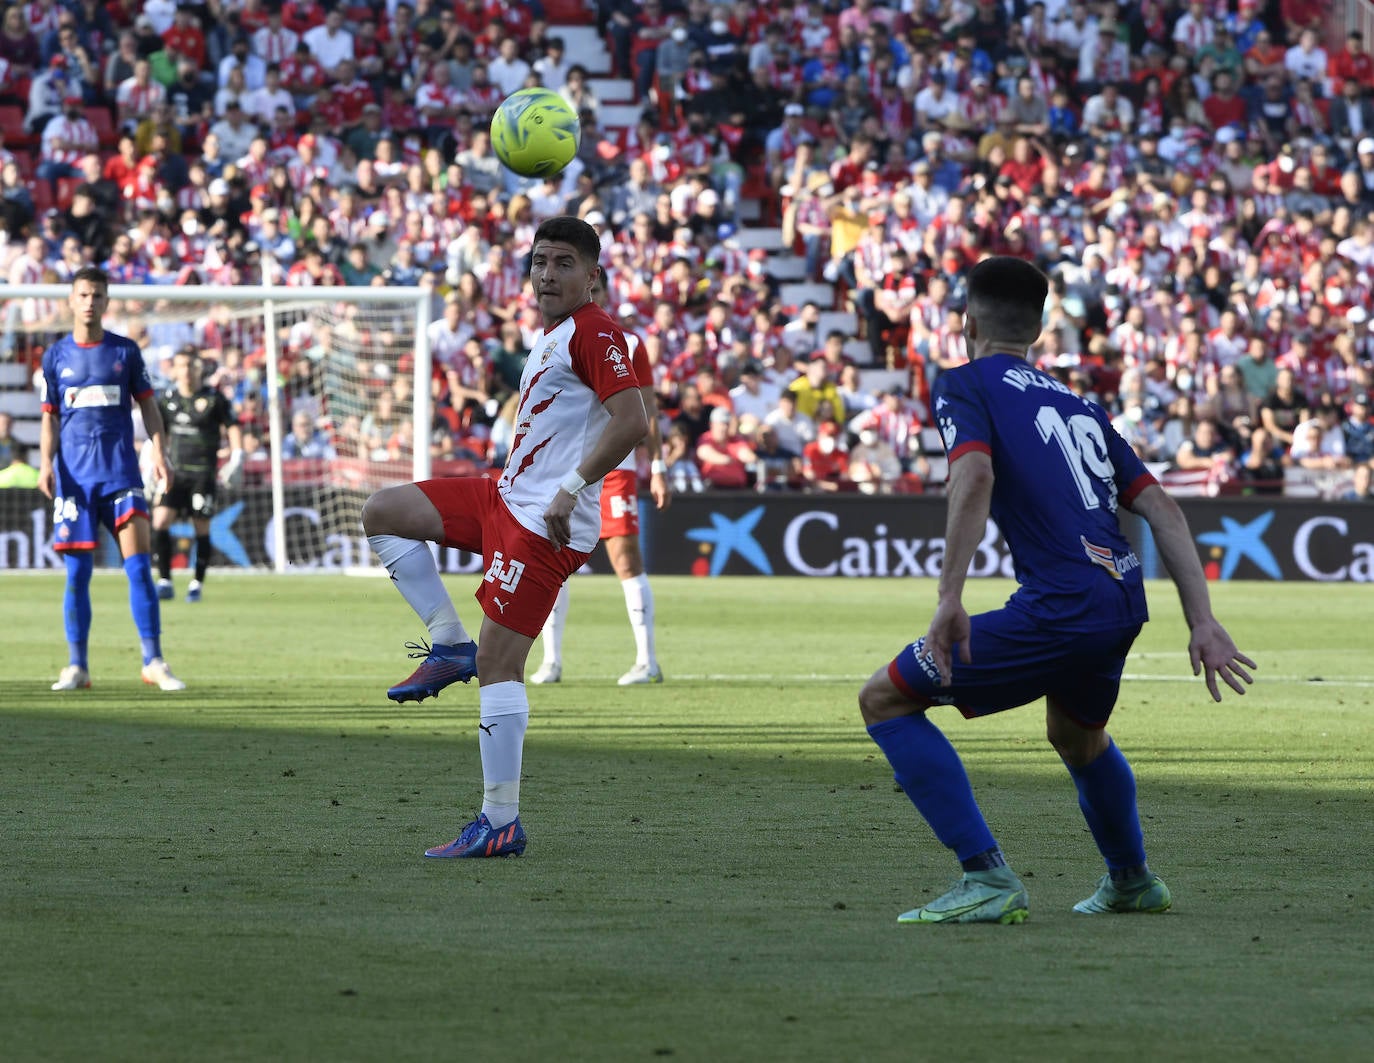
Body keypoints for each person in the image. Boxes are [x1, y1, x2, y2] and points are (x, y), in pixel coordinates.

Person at [858, 257, 1254, 925]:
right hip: (1122, 600)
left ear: (967, 323)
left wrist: (948, 596)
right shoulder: (1080, 403)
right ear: (1039, 331)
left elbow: (974, 476)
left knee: (887, 698)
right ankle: (1130, 880)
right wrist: (1203, 620)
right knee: (1077, 734)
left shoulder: (963, 383)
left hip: (1063, 604)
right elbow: (1164, 510)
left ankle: (985, 876)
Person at [360, 217, 648, 859]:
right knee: (383, 510)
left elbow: (633, 421)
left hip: (545, 524)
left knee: (502, 665)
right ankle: (448, 642)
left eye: (564, 262)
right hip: (504, 498)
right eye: (540, 261)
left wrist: (572, 484)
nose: (547, 273)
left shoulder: (597, 331)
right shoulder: (554, 334)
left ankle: (500, 821)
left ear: (592, 276)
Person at [38, 267, 186, 692]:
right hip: (74, 482)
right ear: (71, 300)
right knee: (77, 575)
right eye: (83, 294)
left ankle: (153, 661)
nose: (89, 302)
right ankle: (77, 667)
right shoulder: (55, 357)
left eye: (97, 295)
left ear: (106, 301)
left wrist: (160, 451)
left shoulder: (125, 351)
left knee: (139, 568)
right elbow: (49, 419)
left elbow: (149, 407)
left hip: (121, 474)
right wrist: (46, 464)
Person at [532, 270, 671, 687]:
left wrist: (659, 466)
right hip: (562, 468)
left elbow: (646, 408)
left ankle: (647, 660)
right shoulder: (551, 340)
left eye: (601, 289)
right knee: (552, 558)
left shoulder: (629, 343)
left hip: (616, 468)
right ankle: (551, 661)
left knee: (625, 557)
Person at [151, 348, 243, 603]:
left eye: (191, 366)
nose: (186, 371)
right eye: (181, 366)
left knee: (201, 527)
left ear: (199, 369)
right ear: (174, 370)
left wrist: (237, 456)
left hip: (203, 474)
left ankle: (196, 584)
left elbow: (233, 426)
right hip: (174, 473)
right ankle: (165, 580)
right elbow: (158, 432)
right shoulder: (167, 398)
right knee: (160, 521)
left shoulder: (214, 399)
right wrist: (152, 463)